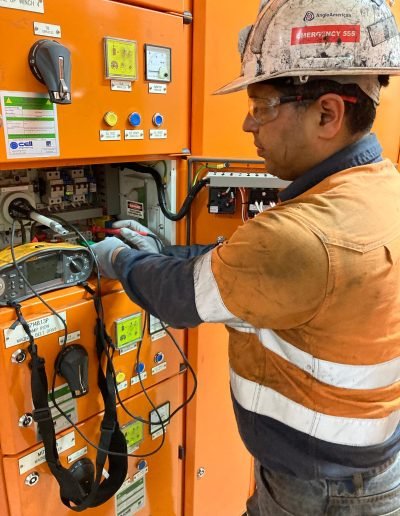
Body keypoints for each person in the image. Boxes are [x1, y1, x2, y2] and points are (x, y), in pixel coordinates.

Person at [92, 1, 400, 514]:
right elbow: (242, 263)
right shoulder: (379, 188)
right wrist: (161, 250)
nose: (246, 125)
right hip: (359, 470)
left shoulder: (303, 235)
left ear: (327, 114)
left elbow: (181, 297)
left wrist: (118, 259)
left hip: (320, 491)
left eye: (262, 107)